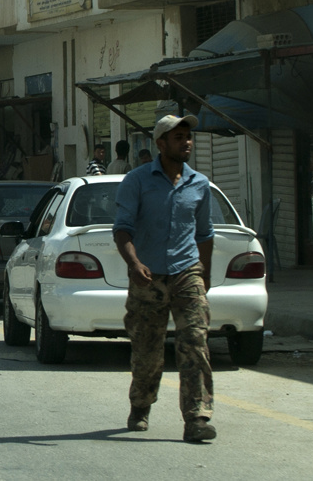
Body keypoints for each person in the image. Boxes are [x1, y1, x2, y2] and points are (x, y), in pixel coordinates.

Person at [113, 114, 217, 443]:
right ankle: (141, 404)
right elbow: (122, 229)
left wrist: (205, 275)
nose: (186, 142)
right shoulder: (137, 181)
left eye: (188, 136)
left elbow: (205, 234)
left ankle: (197, 416)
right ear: (161, 144)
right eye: (178, 137)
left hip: (187, 273)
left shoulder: (199, 184)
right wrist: (134, 263)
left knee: (195, 344)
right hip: (148, 277)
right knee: (147, 350)